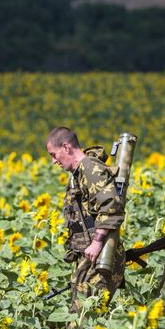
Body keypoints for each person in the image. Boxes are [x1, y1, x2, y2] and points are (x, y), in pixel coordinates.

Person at [46, 127, 125, 313]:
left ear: (66, 147)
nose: (53, 161)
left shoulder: (90, 168)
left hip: (101, 254)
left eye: (53, 154)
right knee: (82, 316)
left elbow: (111, 206)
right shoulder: (79, 173)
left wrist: (97, 242)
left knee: (85, 319)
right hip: (89, 256)